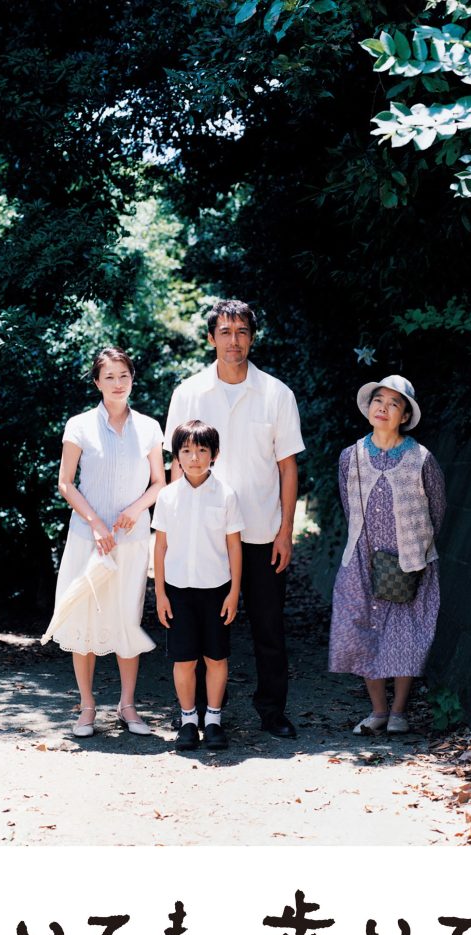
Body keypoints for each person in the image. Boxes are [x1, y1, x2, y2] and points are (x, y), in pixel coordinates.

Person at [164, 299, 305, 738]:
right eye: (225, 332)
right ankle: (201, 714)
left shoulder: (277, 394)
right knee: (201, 632)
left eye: (242, 331)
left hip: (262, 530)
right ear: (211, 338)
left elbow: (287, 466)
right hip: (202, 538)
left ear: (252, 337)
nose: (234, 340)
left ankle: (272, 711)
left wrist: (286, 531)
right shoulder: (188, 393)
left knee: (268, 626)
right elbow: (175, 466)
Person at [49, 346, 165, 738]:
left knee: (126, 617)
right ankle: (86, 707)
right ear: (97, 382)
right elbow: (66, 483)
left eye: (124, 375)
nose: (118, 383)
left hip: (131, 540)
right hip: (87, 538)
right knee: (84, 615)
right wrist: (97, 524)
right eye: (109, 377)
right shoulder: (79, 425)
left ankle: (128, 706)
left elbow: (160, 482)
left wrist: (136, 509)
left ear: (133, 378)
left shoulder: (149, 427)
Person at [328, 374, 446, 734]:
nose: (383, 407)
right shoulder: (351, 456)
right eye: (379, 400)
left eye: (394, 403)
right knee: (359, 628)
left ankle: (398, 712)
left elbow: (437, 508)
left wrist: (416, 549)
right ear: (369, 408)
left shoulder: (421, 458)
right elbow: (349, 507)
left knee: (406, 633)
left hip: (409, 559)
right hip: (360, 558)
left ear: (405, 415)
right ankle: (377, 711)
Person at [152, 420, 244, 751]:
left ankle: (214, 720)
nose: (194, 458)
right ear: (176, 456)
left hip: (217, 589)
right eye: (187, 451)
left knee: (217, 658)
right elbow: (160, 547)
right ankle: (189, 720)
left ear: (214, 455)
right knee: (184, 660)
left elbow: (234, 546)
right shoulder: (167, 497)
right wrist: (160, 594)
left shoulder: (226, 495)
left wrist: (234, 592)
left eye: (202, 450)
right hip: (178, 591)